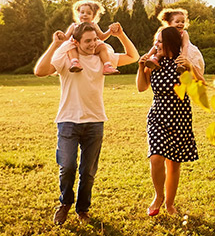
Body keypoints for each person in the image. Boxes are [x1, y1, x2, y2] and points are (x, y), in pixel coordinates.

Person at [35, 21, 139, 225]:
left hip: (95, 121)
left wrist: (121, 35)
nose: (93, 44)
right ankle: (65, 203)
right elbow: (40, 71)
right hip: (68, 121)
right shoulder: (66, 58)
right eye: (88, 41)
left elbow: (133, 57)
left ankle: (82, 210)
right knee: (67, 167)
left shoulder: (103, 58)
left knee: (88, 172)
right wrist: (55, 45)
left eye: (95, 40)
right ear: (76, 41)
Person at [136, 25, 203, 216]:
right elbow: (142, 88)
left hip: (179, 117)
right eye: (155, 41)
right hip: (158, 115)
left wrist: (191, 69)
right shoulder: (155, 62)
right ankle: (158, 196)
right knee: (156, 157)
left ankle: (170, 204)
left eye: (159, 41)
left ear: (170, 43)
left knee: (173, 163)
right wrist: (141, 67)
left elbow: (200, 86)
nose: (155, 45)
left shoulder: (183, 62)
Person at [57, 0, 122, 75]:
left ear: (93, 16)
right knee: (70, 47)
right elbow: (66, 38)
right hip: (76, 46)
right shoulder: (74, 26)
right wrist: (61, 36)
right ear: (78, 14)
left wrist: (110, 31)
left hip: (92, 47)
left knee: (102, 47)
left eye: (88, 13)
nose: (85, 14)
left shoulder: (94, 25)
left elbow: (102, 37)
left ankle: (107, 65)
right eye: (82, 12)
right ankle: (75, 62)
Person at [144, 7, 205, 76]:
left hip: (182, 50)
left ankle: (181, 66)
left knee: (181, 59)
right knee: (159, 51)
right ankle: (154, 60)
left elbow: (185, 45)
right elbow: (156, 45)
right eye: (177, 22)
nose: (180, 24)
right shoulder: (163, 32)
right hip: (166, 50)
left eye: (183, 22)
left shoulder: (183, 33)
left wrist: (183, 55)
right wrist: (148, 55)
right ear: (169, 23)